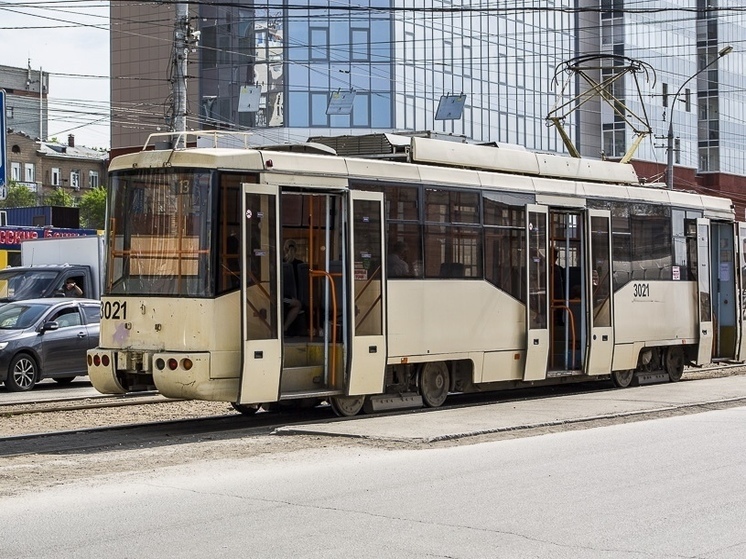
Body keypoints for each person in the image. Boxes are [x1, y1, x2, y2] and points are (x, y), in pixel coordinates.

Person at [282, 239, 305, 334]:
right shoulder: (301, 264)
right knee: (298, 304)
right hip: (290, 297)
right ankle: (285, 327)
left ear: (285, 249)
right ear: (296, 250)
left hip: (283, 295)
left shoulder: (278, 263)